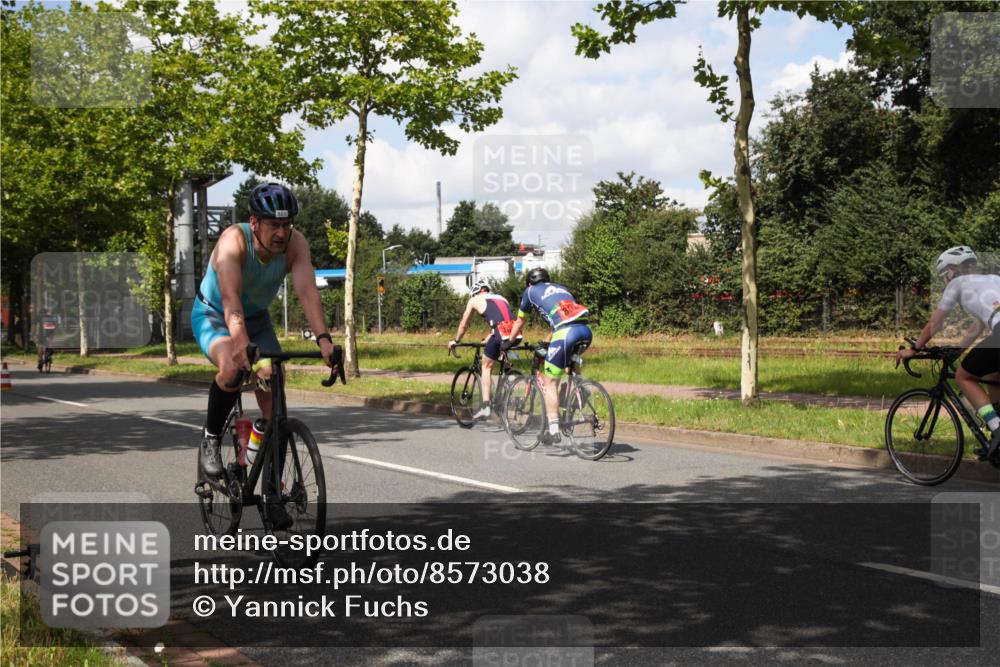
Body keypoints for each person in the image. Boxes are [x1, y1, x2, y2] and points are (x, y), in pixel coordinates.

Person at [192, 183, 335, 524]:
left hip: (257, 321)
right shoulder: (233, 242)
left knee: (275, 397)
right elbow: (231, 299)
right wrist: (240, 342)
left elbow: (307, 292)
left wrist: (325, 341)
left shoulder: (296, 244)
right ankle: (211, 439)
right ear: (254, 223)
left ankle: (272, 494)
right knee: (232, 368)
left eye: (287, 225)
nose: (282, 233)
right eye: (274, 225)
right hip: (215, 316)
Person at [896, 245, 1000, 461]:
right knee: (992, 374)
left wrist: (914, 349)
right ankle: (996, 437)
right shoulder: (992, 279)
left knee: (964, 376)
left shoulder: (956, 284)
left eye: (944, 274)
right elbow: (978, 327)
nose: (945, 279)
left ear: (952, 270)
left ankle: (997, 428)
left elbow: (935, 322)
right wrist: (958, 351)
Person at [503, 267, 592, 443]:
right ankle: (579, 388)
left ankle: (553, 430)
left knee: (551, 382)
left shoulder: (530, 291)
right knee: (569, 364)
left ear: (530, 283)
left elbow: (520, 321)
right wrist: (545, 341)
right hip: (585, 331)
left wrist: (509, 342)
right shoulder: (562, 289)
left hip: (565, 333)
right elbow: (559, 320)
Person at [448, 278, 520, 420]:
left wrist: (456, 341)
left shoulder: (474, 300)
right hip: (516, 333)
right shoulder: (502, 298)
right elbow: (502, 322)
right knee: (500, 351)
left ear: (475, 292)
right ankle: (511, 378)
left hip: (500, 333)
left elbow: (464, 324)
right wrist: (487, 340)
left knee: (486, 366)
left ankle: (486, 406)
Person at [36, 306, 59, 371]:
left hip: (42, 335)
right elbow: (56, 327)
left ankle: (40, 360)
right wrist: (54, 335)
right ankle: (49, 357)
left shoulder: (41, 317)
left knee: (40, 346)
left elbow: (35, 326)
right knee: (50, 345)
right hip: (50, 335)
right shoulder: (54, 318)